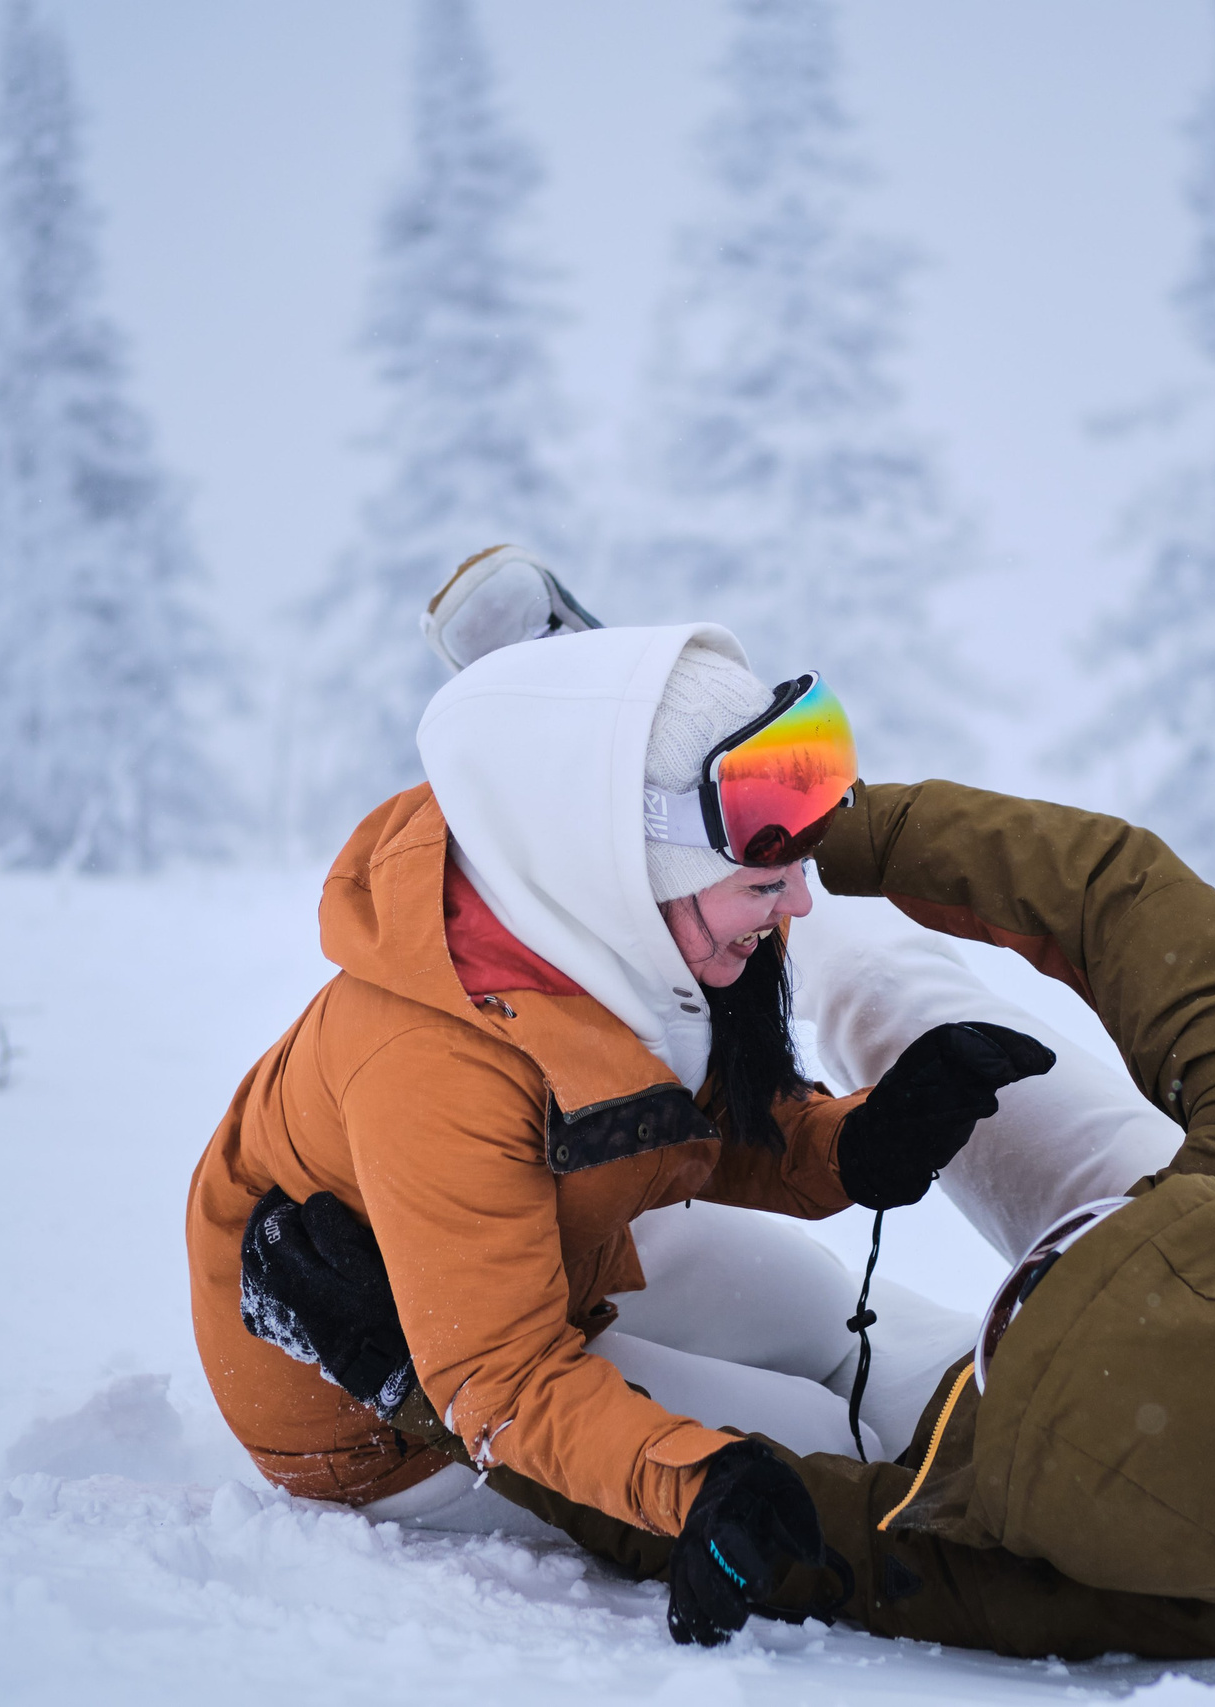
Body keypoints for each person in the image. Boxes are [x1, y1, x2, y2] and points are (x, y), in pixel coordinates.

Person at [244, 551, 1215, 1662]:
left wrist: (405, 1383)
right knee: (889, 1036)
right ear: (1207, 1225)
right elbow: (1120, 894)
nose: (1014, 1273)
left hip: (413, 1323)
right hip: (542, 1208)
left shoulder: (1092, 1581)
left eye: (1013, 1325)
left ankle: (655, 821)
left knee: (839, 1436)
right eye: (1079, 1244)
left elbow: (798, 1531)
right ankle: (620, 771)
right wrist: (838, 829)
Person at [183, 606, 1053, 1634]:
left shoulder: (618, 929)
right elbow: (497, 1384)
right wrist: (693, 1487)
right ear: (630, 868)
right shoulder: (433, 1062)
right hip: (385, 1399)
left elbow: (701, 1129)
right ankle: (1036, 1489)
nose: (800, 909)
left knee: (812, 1310)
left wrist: (863, 1140)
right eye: (767, 882)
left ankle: (1044, 1395)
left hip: (545, 1252)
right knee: (817, 1458)